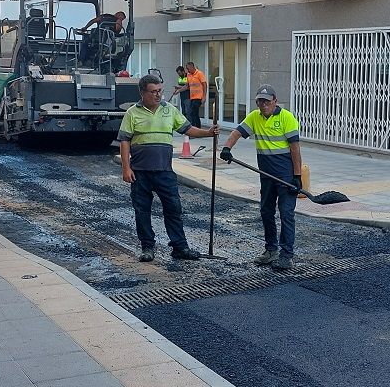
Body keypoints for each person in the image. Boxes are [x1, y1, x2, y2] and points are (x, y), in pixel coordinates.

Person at [119, 74, 218, 263]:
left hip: (164, 171)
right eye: (154, 92)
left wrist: (207, 133)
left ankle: (179, 247)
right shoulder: (132, 113)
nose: (158, 95)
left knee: (173, 209)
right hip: (140, 172)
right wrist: (126, 168)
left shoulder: (169, 110)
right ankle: (147, 247)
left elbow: (187, 129)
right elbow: (124, 141)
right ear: (142, 93)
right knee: (142, 211)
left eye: (160, 91)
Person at [220, 84, 303, 271]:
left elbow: (295, 149)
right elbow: (237, 133)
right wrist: (227, 148)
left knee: (286, 214)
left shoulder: (286, 118)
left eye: (266, 101)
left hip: (285, 176)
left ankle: (286, 255)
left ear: (275, 101)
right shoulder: (254, 117)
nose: (263, 104)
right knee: (266, 211)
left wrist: (297, 176)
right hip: (266, 176)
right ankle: (271, 250)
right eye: (260, 101)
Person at [184, 61, 207, 128]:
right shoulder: (188, 75)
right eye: (187, 69)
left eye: (188, 68)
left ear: (192, 67)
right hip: (192, 97)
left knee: (193, 112)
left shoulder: (199, 73)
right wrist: (178, 90)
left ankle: (195, 128)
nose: (187, 70)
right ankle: (197, 128)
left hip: (198, 97)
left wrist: (204, 97)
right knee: (194, 113)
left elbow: (205, 85)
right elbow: (187, 86)